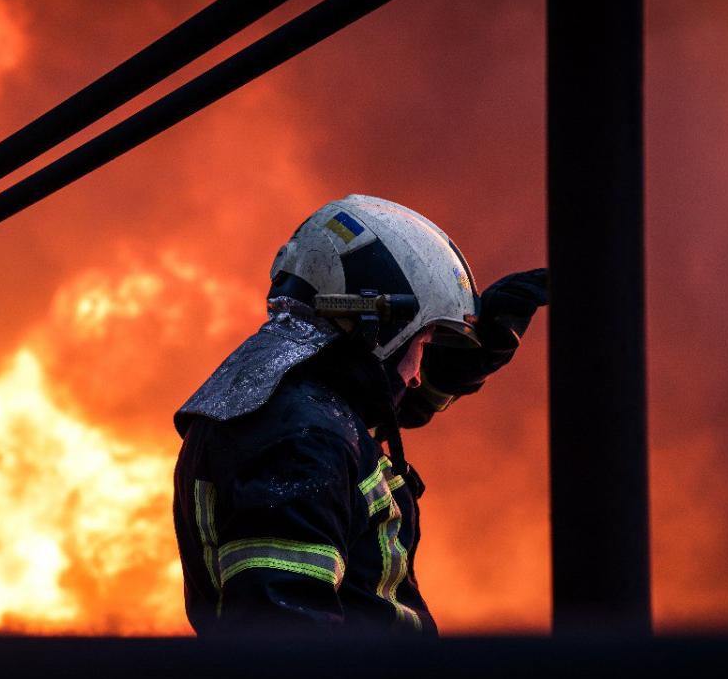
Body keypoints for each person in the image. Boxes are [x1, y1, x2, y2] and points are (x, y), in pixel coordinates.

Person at [171, 194, 549, 636]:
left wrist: (457, 367)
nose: (415, 377)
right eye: (423, 346)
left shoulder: (283, 399)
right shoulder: (302, 442)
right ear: (381, 327)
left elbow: (368, 408)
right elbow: (288, 649)